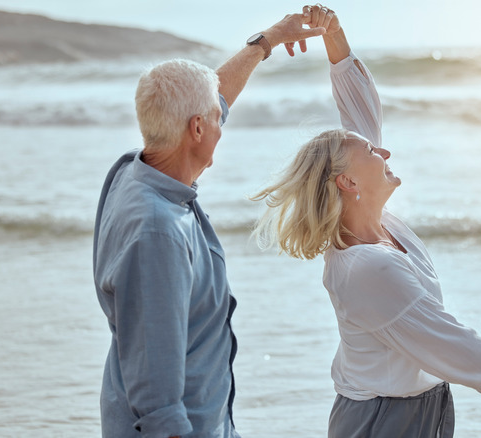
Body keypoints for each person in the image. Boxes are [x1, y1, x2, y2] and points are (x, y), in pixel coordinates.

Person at [252, 5, 481, 437]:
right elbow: (444, 337)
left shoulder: (377, 221)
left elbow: (361, 113)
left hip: (421, 405)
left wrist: (333, 35)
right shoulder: (368, 266)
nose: (385, 152)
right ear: (349, 181)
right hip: (383, 418)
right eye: (374, 153)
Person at [91, 12, 327, 438]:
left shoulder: (135, 167)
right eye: (214, 119)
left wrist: (268, 41)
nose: (223, 122)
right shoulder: (157, 234)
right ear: (197, 129)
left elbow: (214, 99)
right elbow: (157, 401)